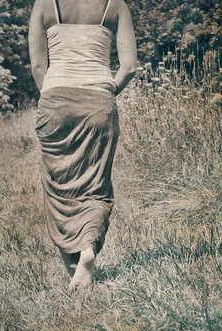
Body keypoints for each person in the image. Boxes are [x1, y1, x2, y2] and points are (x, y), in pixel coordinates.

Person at [28, 0, 137, 288]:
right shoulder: (115, 5)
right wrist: (104, 92)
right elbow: (128, 67)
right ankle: (87, 251)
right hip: (98, 100)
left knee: (59, 186)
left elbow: (39, 65)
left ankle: (72, 265)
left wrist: (54, 97)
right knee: (95, 184)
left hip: (55, 99)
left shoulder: (44, 4)